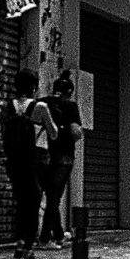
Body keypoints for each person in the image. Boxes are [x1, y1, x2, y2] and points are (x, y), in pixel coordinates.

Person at [1, 69, 58, 259]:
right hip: (37, 159)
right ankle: (27, 248)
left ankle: (19, 242)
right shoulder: (40, 106)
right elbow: (54, 133)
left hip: (15, 161)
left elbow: (4, 135)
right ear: (34, 86)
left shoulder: (8, 107)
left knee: (21, 202)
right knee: (33, 204)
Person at [38, 70, 83, 249]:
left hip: (42, 154)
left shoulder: (41, 102)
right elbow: (75, 132)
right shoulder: (70, 106)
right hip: (63, 156)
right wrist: (79, 132)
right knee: (54, 197)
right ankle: (44, 238)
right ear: (69, 92)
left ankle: (58, 234)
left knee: (50, 194)